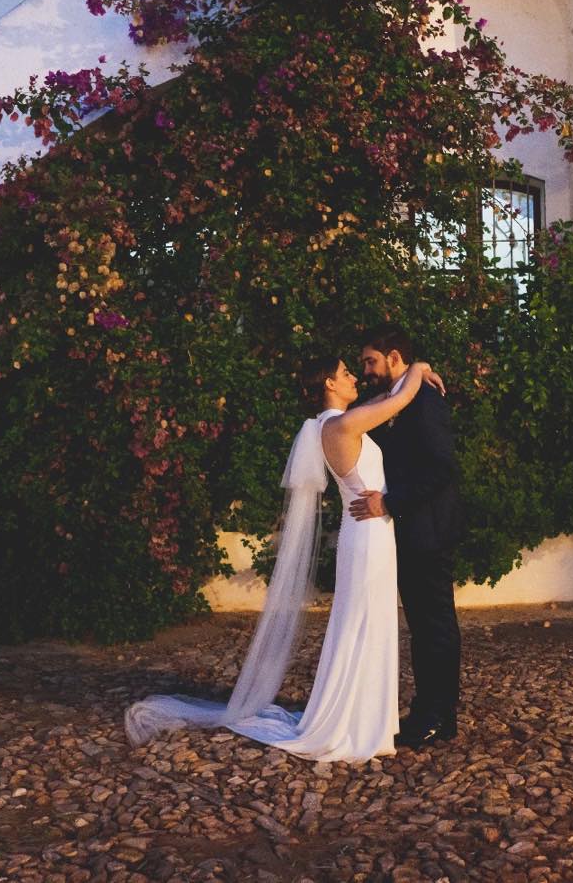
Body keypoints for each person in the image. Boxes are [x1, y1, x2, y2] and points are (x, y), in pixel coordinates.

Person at [124, 354, 443, 762]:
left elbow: (387, 397)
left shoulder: (335, 422)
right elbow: (398, 402)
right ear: (329, 382)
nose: (353, 378)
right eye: (346, 372)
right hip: (367, 539)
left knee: (366, 624)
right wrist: (419, 368)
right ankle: (352, 723)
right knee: (362, 626)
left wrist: (406, 379)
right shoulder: (343, 425)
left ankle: (363, 718)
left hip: (369, 534)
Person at [352, 324, 464, 750]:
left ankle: (440, 716)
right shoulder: (396, 397)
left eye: (371, 361)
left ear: (394, 358)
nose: (366, 370)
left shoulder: (426, 402)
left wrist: (389, 503)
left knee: (435, 624)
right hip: (411, 532)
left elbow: (441, 467)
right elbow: (361, 414)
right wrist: (418, 368)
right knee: (421, 624)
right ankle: (425, 709)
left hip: (429, 529)